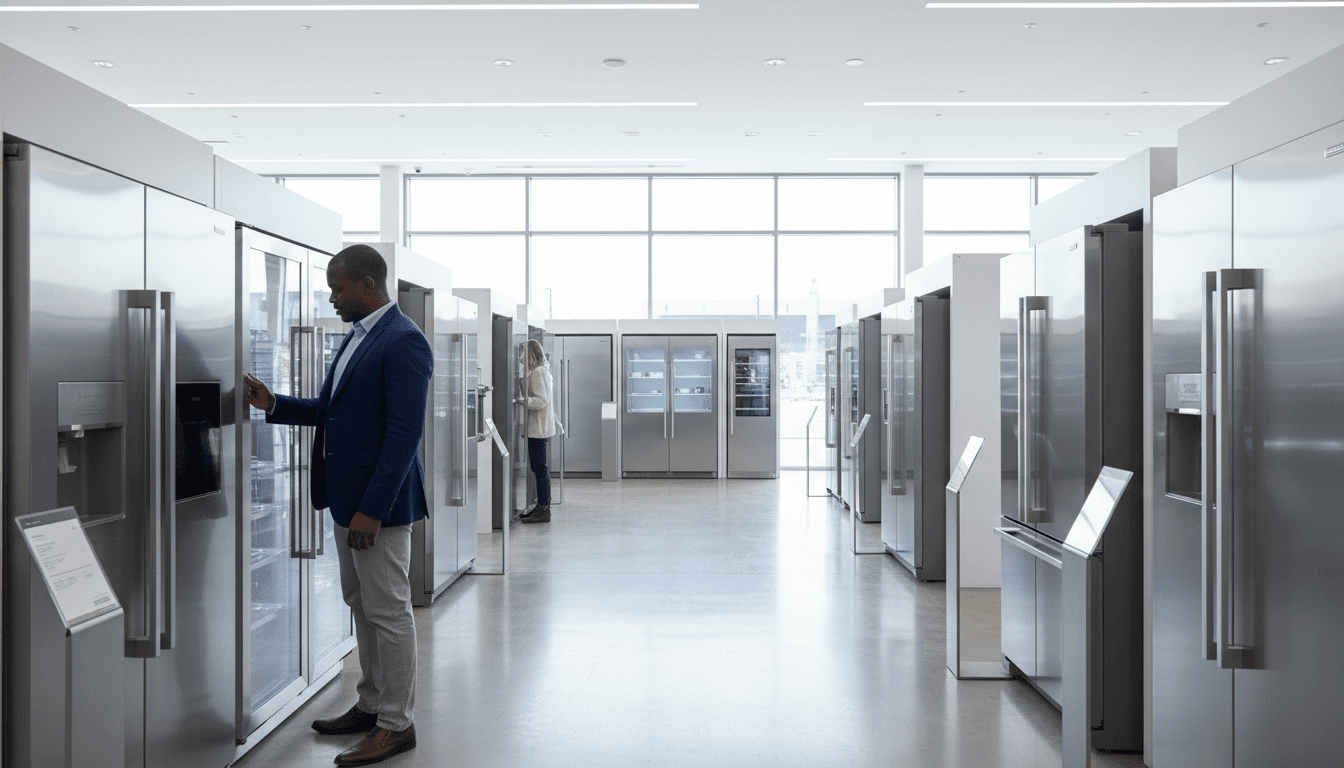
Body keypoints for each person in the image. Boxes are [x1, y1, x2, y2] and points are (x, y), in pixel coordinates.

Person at [242, 244, 431, 767]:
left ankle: (397, 725)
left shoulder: (403, 341)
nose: (332, 299)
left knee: (388, 612)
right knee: (361, 604)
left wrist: (374, 508)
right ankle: (371, 705)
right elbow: (332, 412)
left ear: (367, 286)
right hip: (347, 503)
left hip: (376, 509)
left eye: (338, 289)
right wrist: (273, 403)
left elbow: (403, 435)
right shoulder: (357, 337)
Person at [518, 339, 556, 523]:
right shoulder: (541, 371)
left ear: (529, 354)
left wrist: (522, 400)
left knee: (539, 468)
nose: (520, 358)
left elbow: (541, 400)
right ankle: (542, 506)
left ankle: (543, 509)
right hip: (540, 428)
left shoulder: (537, 373)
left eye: (522, 353)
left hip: (537, 429)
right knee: (539, 468)